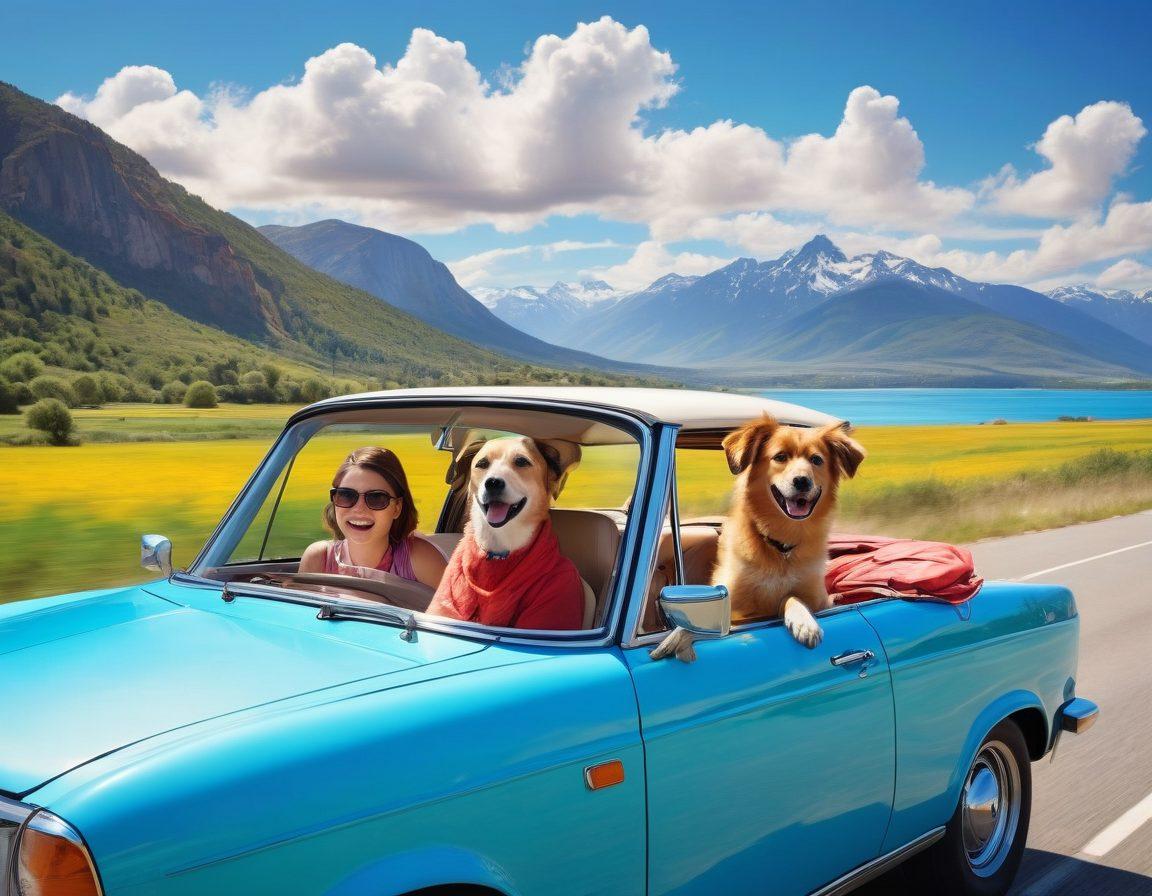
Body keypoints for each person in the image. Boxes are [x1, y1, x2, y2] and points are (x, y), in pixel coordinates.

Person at [299, 447, 446, 589]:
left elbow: (456, 612)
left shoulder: (422, 559)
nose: (359, 509)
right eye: (346, 495)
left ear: (397, 508)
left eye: (377, 497)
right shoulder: (318, 559)